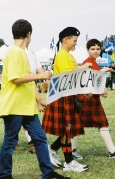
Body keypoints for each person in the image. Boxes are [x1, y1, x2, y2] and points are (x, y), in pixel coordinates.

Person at [0, 19, 69, 179]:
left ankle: (48, 173)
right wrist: (41, 75)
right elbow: (16, 79)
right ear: (29, 34)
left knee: (40, 138)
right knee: (10, 141)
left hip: (26, 105)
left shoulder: (22, 52)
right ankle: (3, 175)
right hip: (15, 105)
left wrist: (37, 98)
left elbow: (26, 78)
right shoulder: (15, 52)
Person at [71, 39, 115, 160]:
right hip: (85, 99)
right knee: (82, 124)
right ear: (87, 50)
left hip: (92, 99)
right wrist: (102, 72)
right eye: (92, 49)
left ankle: (112, 151)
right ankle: (71, 151)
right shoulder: (87, 62)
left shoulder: (94, 62)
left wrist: (102, 89)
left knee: (100, 123)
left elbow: (95, 81)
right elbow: (83, 81)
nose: (96, 51)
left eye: (98, 49)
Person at [42, 27, 90, 172]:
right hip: (62, 97)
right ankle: (69, 162)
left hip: (68, 95)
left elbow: (74, 79)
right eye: (74, 41)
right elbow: (66, 76)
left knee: (66, 130)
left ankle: (53, 150)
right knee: (67, 130)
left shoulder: (69, 55)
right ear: (66, 40)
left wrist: (84, 90)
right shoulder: (62, 55)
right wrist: (83, 68)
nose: (75, 44)